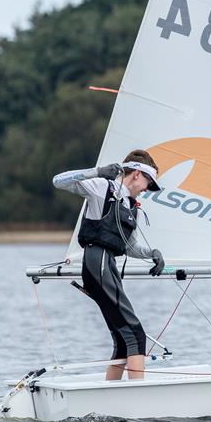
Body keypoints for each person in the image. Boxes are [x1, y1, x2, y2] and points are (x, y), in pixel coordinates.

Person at [52, 149, 165, 380]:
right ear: (135, 174)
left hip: (108, 266)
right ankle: (138, 397)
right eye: (147, 182)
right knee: (136, 334)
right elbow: (58, 181)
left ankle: (111, 396)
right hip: (97, 263)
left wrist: (152, 253)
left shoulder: (131, 205)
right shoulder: (103, 188)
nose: (147, 189)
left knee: (124, 340)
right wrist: (97, 172)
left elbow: (130, 247)